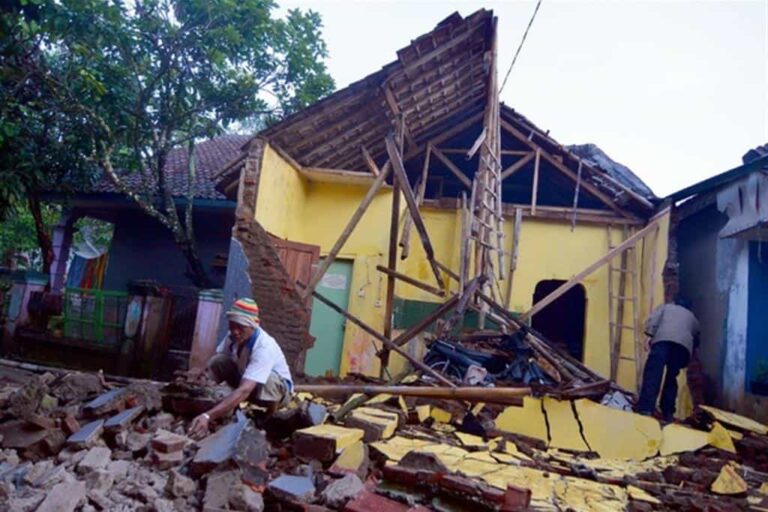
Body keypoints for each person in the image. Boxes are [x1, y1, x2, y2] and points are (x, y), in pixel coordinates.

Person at [189, 298, 293, 437]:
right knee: (218, 360)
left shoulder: (263, 346)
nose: (235, 331)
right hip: (247, 381)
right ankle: (212, 398)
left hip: (276, 392)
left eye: (241, 328)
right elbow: (217, 359)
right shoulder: (233, 336)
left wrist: (208, 416)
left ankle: (269, 419)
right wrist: (197, 376)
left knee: (268, 378)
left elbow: (245, 390)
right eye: (232, 326)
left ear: (252, 326)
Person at [636, 296, 700, 422]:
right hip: (682, 348)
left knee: (653, 374)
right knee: (671, 377)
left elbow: (653, 320)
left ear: (676, 303)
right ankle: (668, 412)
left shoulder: (666, 307)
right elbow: (697, 337)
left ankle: (646, 408)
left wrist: (649, 335)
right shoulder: (693, 317)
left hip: (663, 341)